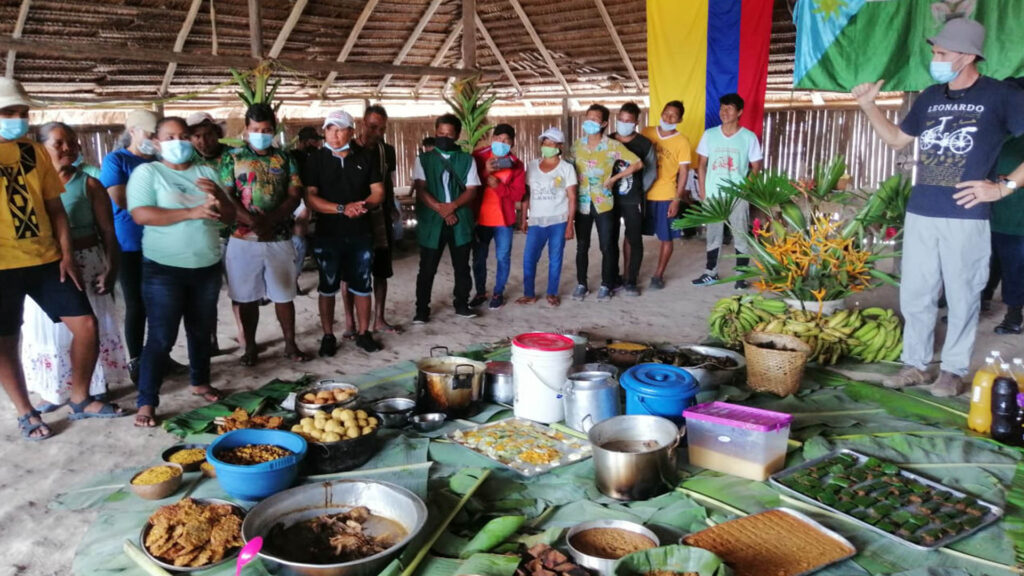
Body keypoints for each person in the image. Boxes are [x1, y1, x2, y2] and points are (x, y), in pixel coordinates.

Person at [852, 18, 1024, 395]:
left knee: (963, 294)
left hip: (965, 214)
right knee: (916, 293)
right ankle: (915, 364)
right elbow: (897, 140)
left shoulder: (1001, 96)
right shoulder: (930, 96)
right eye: (934, 52)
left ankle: (952, 369)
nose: (935, 58)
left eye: (942, 53)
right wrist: (869, 106)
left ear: (966, 56)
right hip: (922, 210)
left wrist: (1003, 187)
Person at [0, 79, 126, 440]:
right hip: (3, 265)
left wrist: (66, 254)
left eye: (23, 113)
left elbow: (55, 208)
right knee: (7, 339)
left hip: (45, 259)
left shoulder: (33, 152)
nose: (17, 120)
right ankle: (27, 412)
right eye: (8, 113)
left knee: (86, 325)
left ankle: (80, 398)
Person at [128, 116, 236, 427]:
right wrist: (192, 211)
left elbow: (228, 216)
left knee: (202, 329)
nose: (179, 142)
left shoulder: (205, 171)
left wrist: (218, 196)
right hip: (164, 269)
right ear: (157, 142)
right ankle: (147, 401)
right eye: (170, 136)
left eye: (184, 136)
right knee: (161, 336)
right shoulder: (148, 172)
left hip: (205, 265)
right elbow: (141, 214)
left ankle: (200, 381)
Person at [23, 122, 130, 412]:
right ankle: (54, 390)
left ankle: (93, 388)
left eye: (71, 142)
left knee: (89, 325)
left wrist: (111, 268)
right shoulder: (29, 182)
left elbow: (109, 232)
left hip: (87, 263)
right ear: (41, 146)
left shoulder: (89, 184)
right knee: (50, 328)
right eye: (59, 143)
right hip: (44, 266)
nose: (67, 148)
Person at [220, 104, 309, 366]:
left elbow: (295, 196)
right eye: (256, 130)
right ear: (246, 130)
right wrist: (250, 221)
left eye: (267, 130)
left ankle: (290, 344)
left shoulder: (286, 158)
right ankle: (250, 347)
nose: (261, 134)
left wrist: (270, 221)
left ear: (274, 128)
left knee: (284, 294)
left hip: (279, 237)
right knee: (246, 296)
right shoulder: (232, 158)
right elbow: (227, 195)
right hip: (242, 238)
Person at [303, 110, 385, 354]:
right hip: (328, 234)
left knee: (362, 284)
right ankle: (328, 336)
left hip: (360, 232)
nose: (334, 135)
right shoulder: (315, 160)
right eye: (329, 129)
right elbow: (311, 198)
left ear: (351, 131)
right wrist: (341, 208)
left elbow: (378, 191)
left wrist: (363, 205)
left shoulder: (365, 157)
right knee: (327, 285)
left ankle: (363, 333)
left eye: (340, 129)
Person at [99, 109, 159, 384]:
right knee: (136, 304)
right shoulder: (117, 160)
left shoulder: (161, 161)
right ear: (133, 131)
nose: (155, 139)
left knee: (161, 304)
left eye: (158, 135)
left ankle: (159, 355)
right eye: (150, 133)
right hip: (130, 244)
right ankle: (136, 359)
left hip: (163, 244)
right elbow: (121, 199)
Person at [412, 113, 481, 322]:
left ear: (457, 135)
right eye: (440, 133)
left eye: (449, 134)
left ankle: (462, 304)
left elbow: (472, 190)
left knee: (461, 265)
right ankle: (421, 310)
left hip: (459, 219)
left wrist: (452, 206)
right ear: (435, 133)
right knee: (427, 267)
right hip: (432, 220)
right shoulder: (423, 159)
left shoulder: (467, 159)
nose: (444, 137)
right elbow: (421, 189)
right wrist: (440, 209)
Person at [571, 104, 643, 302]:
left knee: (607, 246)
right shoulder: (577, 145)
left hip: (604, 203)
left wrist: (614, 178)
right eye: (588, 118)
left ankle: (606, 284)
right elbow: (569, 169)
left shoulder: (612, 146)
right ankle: (581, 284)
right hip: (582, 202)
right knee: (582, 245)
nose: (590, 122)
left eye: (595, 119)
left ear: (603, 123)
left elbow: (637, 163)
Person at [692, 93, 763, 289]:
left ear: (739, 112)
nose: (724, 112)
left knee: (741, 235)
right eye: (722, 108)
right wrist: (703, 192)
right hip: (713, 195)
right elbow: (701, 165)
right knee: (713, 235)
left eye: (729, 108)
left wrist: (745, 190)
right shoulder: (710, 134)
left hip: (737, 196)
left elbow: (756, 166)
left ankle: (741, 276)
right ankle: (710, 272)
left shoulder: (748, 137)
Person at [347, 104, 402, 334]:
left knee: (381, 270)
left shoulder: (386, 151)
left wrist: (391, 206)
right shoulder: (346, 148)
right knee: (349, 273)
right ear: (361, 123)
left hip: (379, 216)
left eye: (382, 129)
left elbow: (386, 182)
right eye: (372, 127)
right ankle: (350, 323)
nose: (377, 133)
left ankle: (379, 318)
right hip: (351, 217)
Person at [518, 127, 577, 307]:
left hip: (558, 220)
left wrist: (569, 224)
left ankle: (552, 292)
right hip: (536, 220)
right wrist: (524, 219)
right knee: (529, 258)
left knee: (555, 258)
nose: (547, 145)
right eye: (545, 142)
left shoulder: (566, 168)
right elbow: (527, 195)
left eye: (551, 143)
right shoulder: (533, 166)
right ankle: (529, 293)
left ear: (559, 146)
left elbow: (572, 197)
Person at [470, 124, 527, 310]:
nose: (501, 143)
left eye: (506, 140)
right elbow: (467, 183)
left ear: (512, 143)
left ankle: (498, 293)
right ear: (492, 138)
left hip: (504, 221)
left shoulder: (516, 164)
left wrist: (498, 187)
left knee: (503, 257)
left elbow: (518, 195)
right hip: (481, 218)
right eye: (498, 138)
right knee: (479, 258)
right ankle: (480, 292)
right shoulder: (478, 156)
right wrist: (485, 172)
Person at [187, 111, 230, 355]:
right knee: (206, 295)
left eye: (207, 135)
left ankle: (246, 339)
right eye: (196, 136)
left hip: (233, 230)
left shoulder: (233, 157)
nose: (203, 141)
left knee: (239, 292)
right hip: (201, 235)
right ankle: (210, 339)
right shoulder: (186, 162)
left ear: (217, 134)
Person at [640, 100, 692, 290]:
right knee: (632, 235)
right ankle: (630, 274)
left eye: (673, 115)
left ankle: (658, 275)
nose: (668, 118)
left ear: (680, 119)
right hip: (643, 194)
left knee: (666, 237)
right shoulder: (647, 132)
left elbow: (684, 171)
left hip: (666, 195)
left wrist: (677, 199)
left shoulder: (682, 141)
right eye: (665, 113)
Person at [612, 102, 658, 296]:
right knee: (609, 238)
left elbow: (651, 171)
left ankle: (631, 279)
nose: (624, 124)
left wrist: (639, 190)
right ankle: (612, 278)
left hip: (633, 199)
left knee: (633, 238)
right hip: (609, 199)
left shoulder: (644, 144)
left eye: (628, 121)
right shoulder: (608, 141)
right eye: (621, 120)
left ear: (636, 122)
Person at [990, 120, 1024, 334]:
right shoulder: (997, 135)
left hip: (1018, 218)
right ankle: (981, 301)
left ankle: (1013, 316)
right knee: (984, 263)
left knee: (1015, 269)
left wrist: (1006, 181)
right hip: (988, 214)